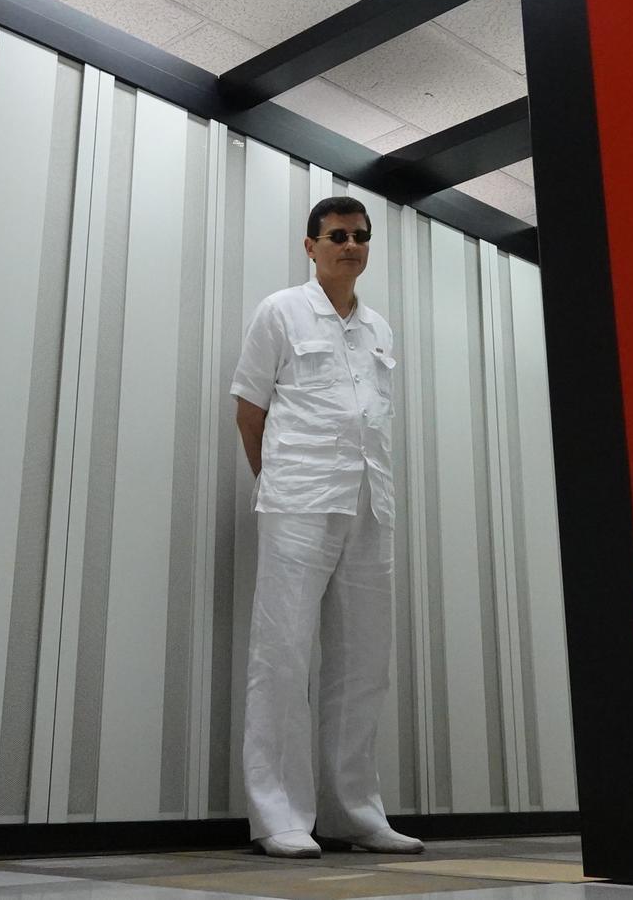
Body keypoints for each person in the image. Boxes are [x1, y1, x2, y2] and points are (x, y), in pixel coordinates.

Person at [229, 195, 423, 860]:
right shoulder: (280, 311)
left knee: (363, 662)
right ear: (310, 246)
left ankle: (353, 813)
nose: (351, 246)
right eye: (337, 236)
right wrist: (276, 482)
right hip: (298, 501)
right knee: (281, 655)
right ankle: (279, 816)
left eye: (360, 236)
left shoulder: (378, 328)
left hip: (370, 503)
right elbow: (249, 409)